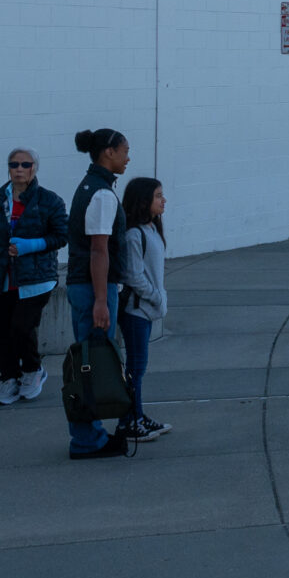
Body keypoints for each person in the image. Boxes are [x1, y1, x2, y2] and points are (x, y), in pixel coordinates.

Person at [0, 148, 69, 405]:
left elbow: (62, 235)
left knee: (21, 327)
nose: (19, 169)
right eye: (14, 164)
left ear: (35, 167)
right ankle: (8, 379)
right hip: (0, 280)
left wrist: (30, 246)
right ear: (8, 168)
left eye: (25, 164)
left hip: (36, 279)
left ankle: (33, 370)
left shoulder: (49, 200)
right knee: (2, 333)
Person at [65, 128, 132, 460]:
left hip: (85, 286)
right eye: (124, 151)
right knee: (91, 365)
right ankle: (86, 440)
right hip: (92, 288)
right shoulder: (102, 194)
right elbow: (98, 251)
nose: (127, 157)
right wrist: (102, 300)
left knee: (88, 363)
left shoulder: (89, 186)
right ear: (108, 152)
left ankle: (89, 436)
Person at [113, 176, 171, 442]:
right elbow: (133, 275)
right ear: (143, 200)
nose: (163, 200)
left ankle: (137, 416)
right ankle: (129, 422)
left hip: (147, 310)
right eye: (158, 195)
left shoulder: (152, 229)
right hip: (136, 312)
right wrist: (156, 298)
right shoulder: (134, 233)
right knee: (136, 368)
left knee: (138, 367)